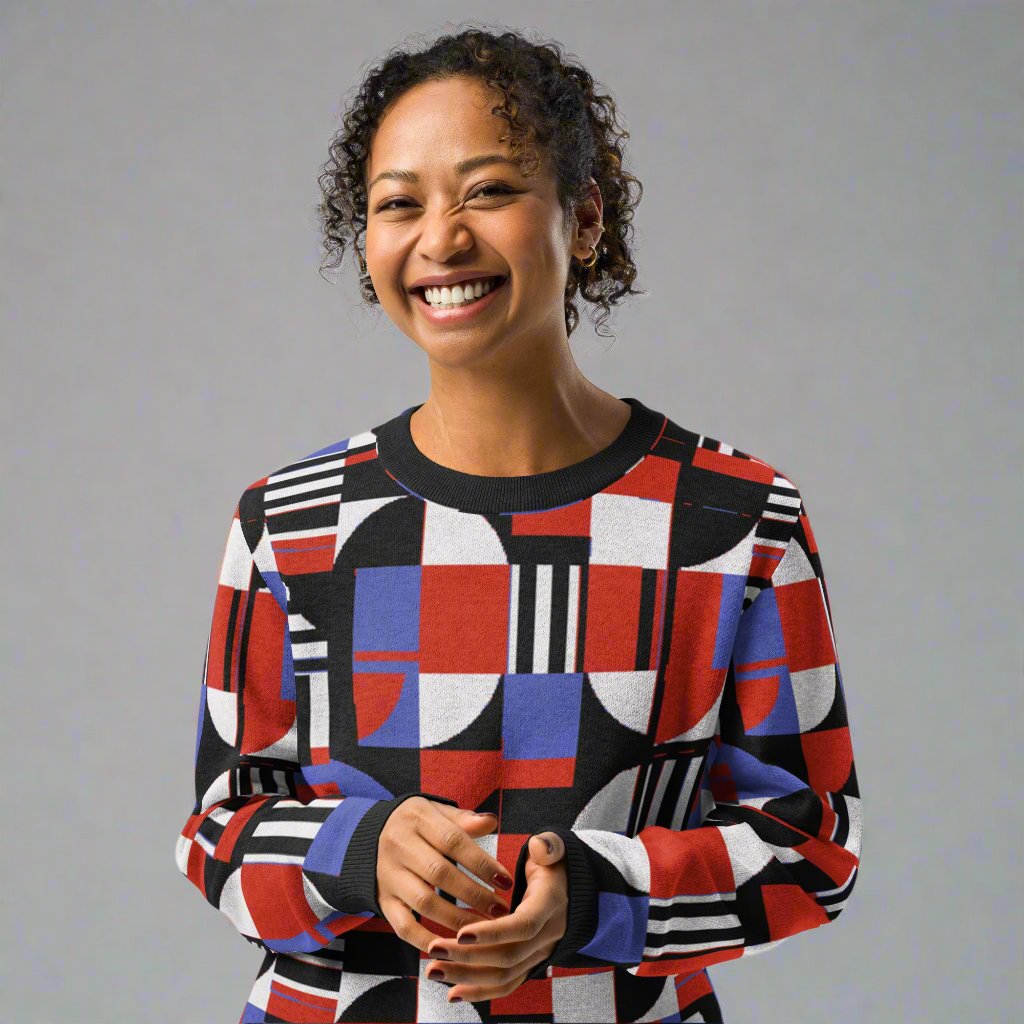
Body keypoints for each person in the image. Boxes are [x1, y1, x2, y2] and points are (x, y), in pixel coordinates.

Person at [174, 25, 862, 1024]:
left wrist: (587, 894)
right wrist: (360, 854)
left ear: (583, 219)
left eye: (487, 190)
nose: (441, 237)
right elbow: (216, 832)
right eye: (398, 204)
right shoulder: (291, 524)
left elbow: (811, 846)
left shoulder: (734, 521)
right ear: (365, 241)